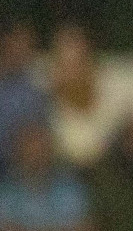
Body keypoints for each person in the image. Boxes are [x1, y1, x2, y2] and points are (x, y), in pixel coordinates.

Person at [48, 23, 123, 170]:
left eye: (79, 63)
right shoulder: (45, 105)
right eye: (66, 65)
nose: (74, 73)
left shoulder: (115, 92)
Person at [0, 21, 49, 179]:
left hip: (10, 173)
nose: (23, 51)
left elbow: (39, 137)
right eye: (18, 43)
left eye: (29, 46)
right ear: (5, 43)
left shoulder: (33, 94)